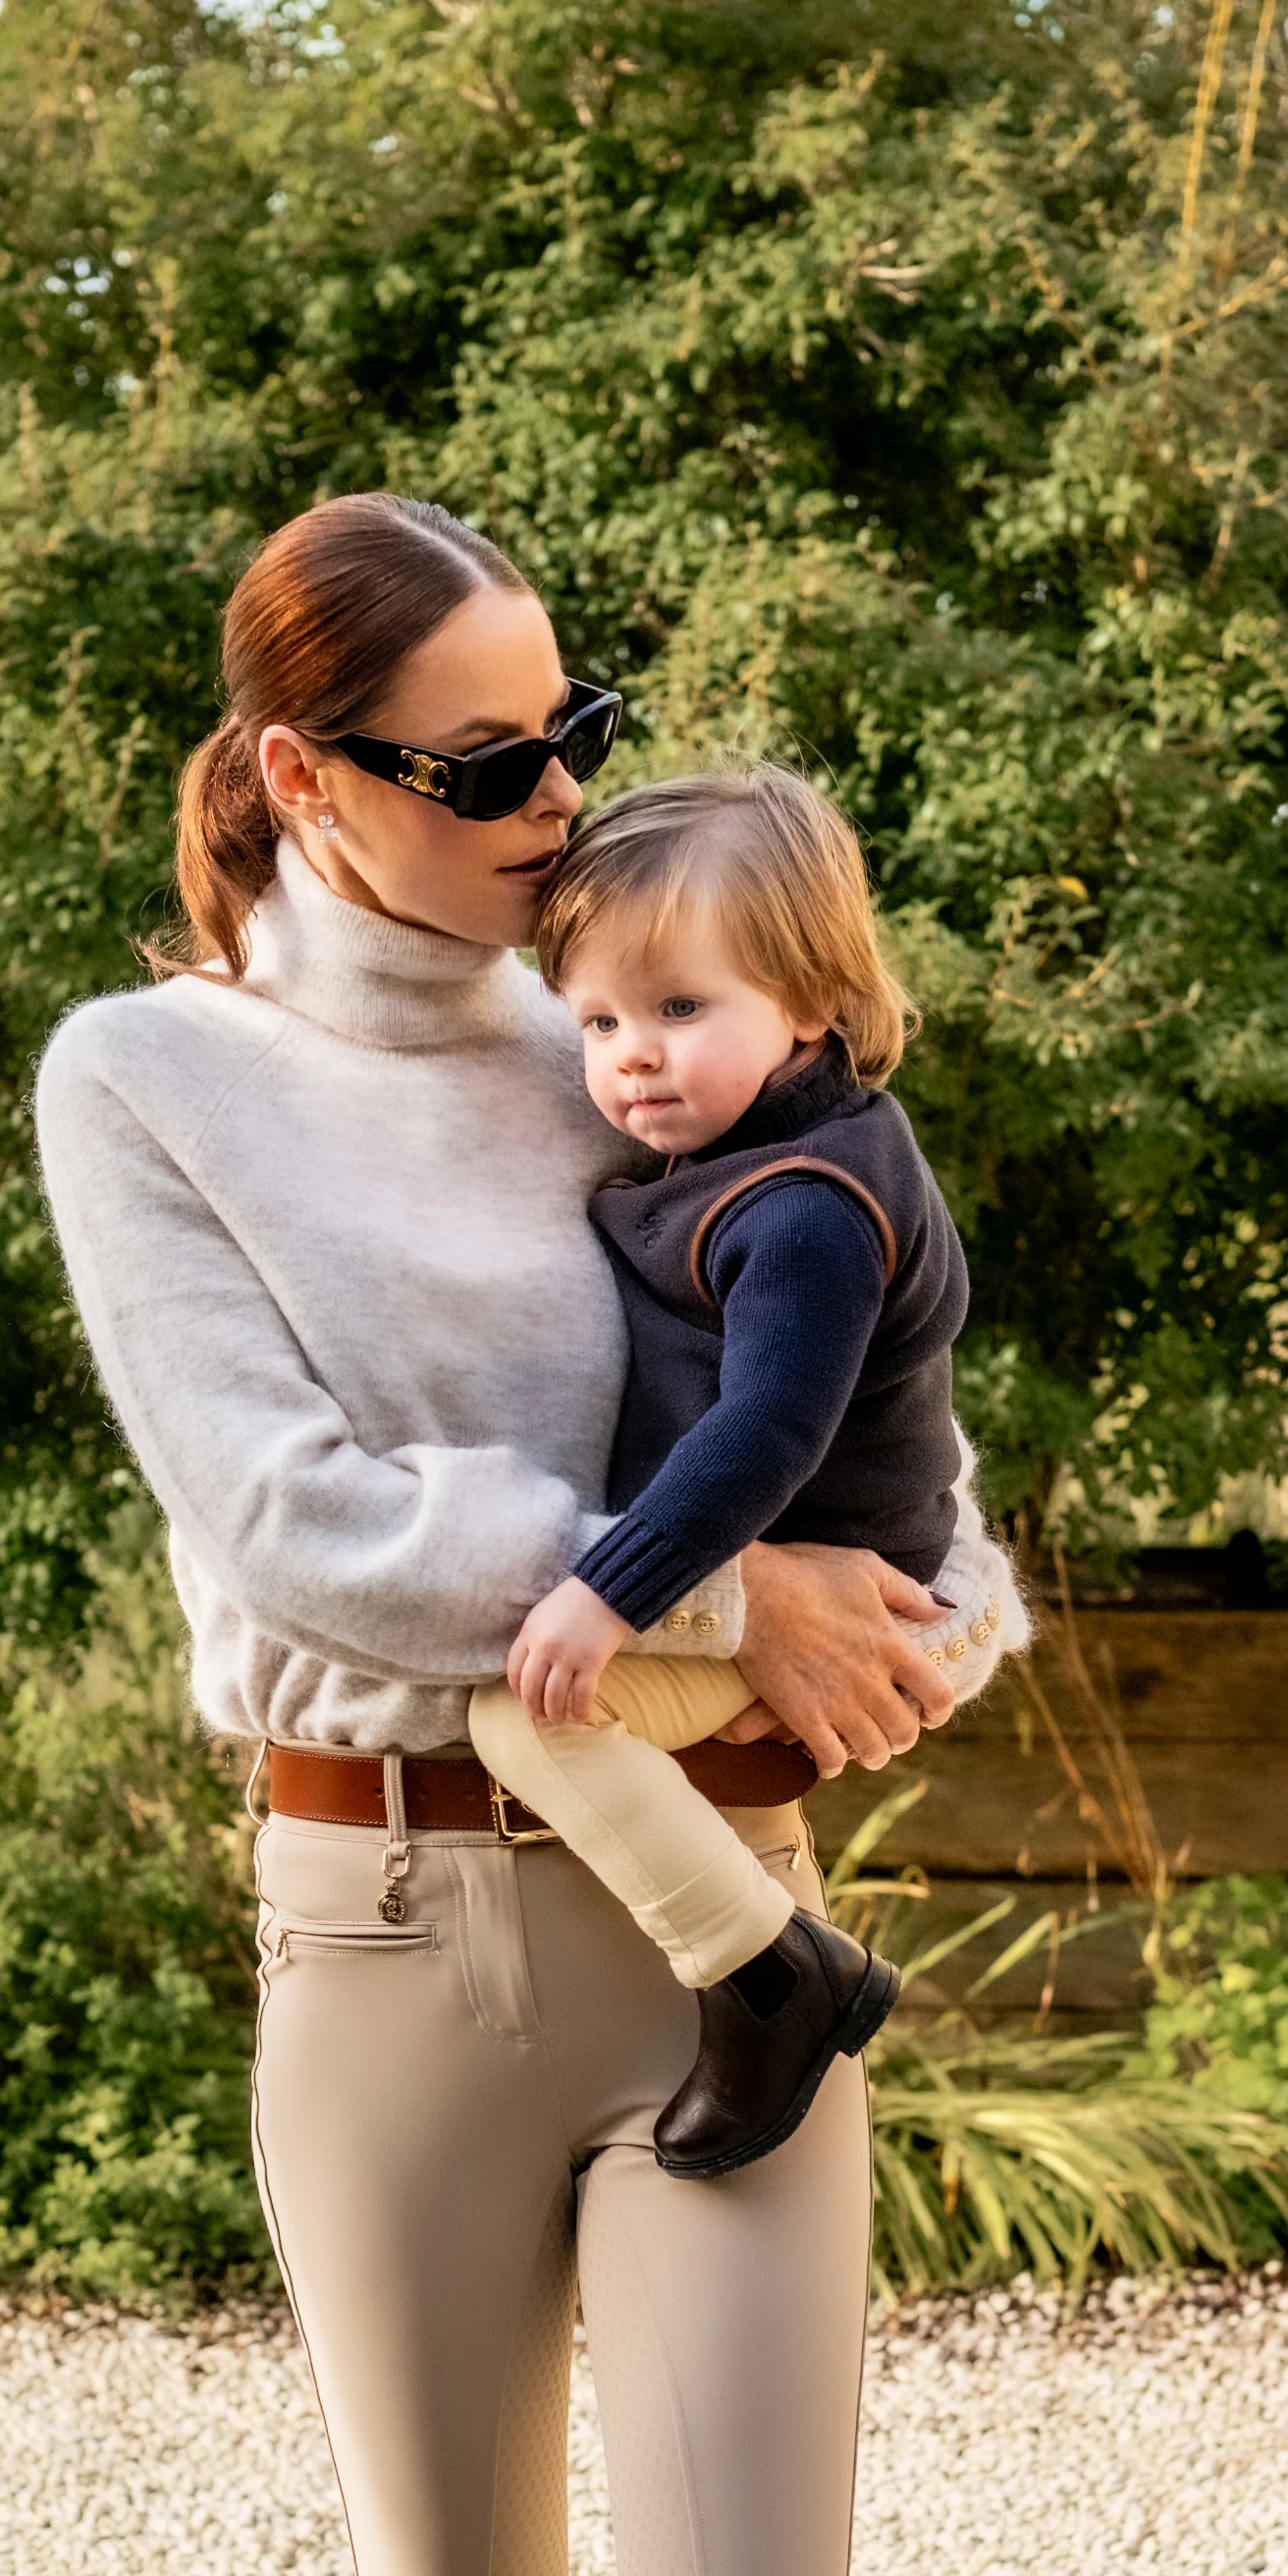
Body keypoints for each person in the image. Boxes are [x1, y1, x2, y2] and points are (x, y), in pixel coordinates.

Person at [32, 493, 964, 2576]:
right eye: (475, 768)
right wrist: (718, 1594)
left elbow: (915, 1490)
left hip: (730, 1917)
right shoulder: (161, 1086)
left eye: (578, 733)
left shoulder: (678, 1007)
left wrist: (898, 1634)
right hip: (394, 1917)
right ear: (304, 780)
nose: (555, 809)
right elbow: (294, 1524)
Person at [468, 764, 1027, 2179]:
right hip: (800, 1545)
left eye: (679, 1008)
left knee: (532, 1720)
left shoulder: (808, 1210)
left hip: (842, 1572)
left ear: (814, 1004)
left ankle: (768, 1976)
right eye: (595, 1019)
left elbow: (763, 1433)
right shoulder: (757, 1152)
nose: (630, 1057)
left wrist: (609, 1591)